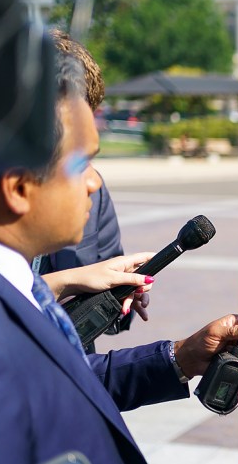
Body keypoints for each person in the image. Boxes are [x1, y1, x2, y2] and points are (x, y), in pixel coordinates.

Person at [0, 51, 238, 463]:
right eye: (83, 161)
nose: (94, 182)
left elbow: (64, 378)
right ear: (18, 187)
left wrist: (183, 356)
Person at [41, 29, 140, 350]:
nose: (93, 180)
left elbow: (108, 327)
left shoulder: (93, 193)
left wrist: (116, 296)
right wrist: (62, 283)